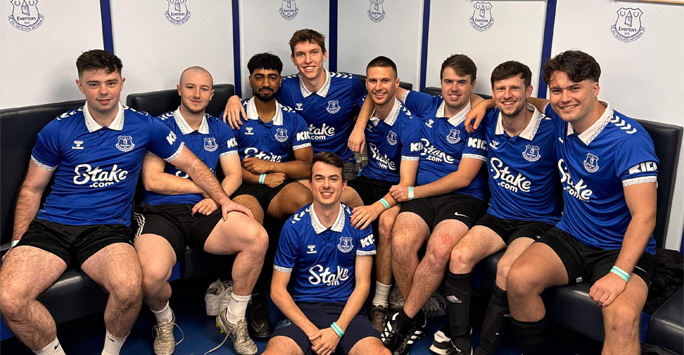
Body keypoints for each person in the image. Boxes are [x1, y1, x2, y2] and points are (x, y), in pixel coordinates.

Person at [0, 50, 238, 355]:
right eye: (94, 83)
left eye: (110, 82)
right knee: (9, 297)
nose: (103, 91)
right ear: (80, 85)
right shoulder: (57, 129)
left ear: (121, 83)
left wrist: (223, 200)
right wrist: (19, 240)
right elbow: (32, 189)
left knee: (128, 289)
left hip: (108, 228)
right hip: (54, 225)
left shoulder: (144, 125)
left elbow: (193, 165)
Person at [471, 50, 658, 355]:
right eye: (557, 90)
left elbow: (645, 217)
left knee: (622, 318)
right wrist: (484, 103)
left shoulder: (629, 141)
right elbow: (529, 102)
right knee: (518, 279)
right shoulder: (559, 120)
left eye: (575, 88)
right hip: (571, 235)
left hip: (619, 248)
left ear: (595, 88)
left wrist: (620, 274)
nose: (564, 98)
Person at [134, 66, 268, 355]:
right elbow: (153, 180)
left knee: (257, 238)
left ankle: (234, 317)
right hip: (162, 212)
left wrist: (218, 198)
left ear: (211, 95)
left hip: (206, 211)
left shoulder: (219, 127)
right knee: (150, 276)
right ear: (179, 89)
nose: (197, 94)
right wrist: (206, 188)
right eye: (191, 87)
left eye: (204, 89)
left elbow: (232, 174)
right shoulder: (159, 125)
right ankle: (165, 319)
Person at [433, 61, 561, 355]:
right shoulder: (487, 121)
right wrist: (487, 104)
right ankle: (460, 339)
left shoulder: (552, 128)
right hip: (497, 215)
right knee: (459, 256)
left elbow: (597, 105)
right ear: (492, 91)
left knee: (506, 269)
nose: (507, 95)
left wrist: (489, 101)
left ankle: (486, 349)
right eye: (500, 89)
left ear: (528, 91)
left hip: (537, 220)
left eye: (515, 88)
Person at [380, 54, 489, 355]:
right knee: (401, 242)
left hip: (462, 198)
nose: (454, 89)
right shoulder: (425, 103)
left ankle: (407, 319)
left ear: (472, 85)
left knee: (440, 248)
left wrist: (485, 103)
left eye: (462, 83)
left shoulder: (476, 121)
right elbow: (380, 90)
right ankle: (422, 308)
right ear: (440, 83)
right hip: (423, 196)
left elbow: (464, 178)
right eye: (448, 81)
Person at [262, 152, 390, 355]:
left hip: (347, 310)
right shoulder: (294, 226)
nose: (326, 185)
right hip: (303, 310)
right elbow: (277, 290)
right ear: (310, 185)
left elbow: (363, 284)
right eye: (319, 178)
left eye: (333, 179)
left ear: (344, 185)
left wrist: (337, 330)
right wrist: (313, 333)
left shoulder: (358, 222)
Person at [229, 52, 314, 337]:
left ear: (280, 82)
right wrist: (261, 176)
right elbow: (224, 167)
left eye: (272, 77)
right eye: (259, 77)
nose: (265, 83)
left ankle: (304, 287)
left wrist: (272, 167)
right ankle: (255, 298)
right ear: (250, 80)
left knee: (304, 200)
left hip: (278, 184)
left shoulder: (292, 119)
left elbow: (306, 165)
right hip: (245, 186)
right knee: (250, 219)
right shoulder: (234, 114)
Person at [339, 56, 421, 333]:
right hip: (369, 179)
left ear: (396, 84)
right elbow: (368, 103)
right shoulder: (368, 110)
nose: (378, 86)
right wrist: (359, 125)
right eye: (372, 81)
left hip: (398, 189)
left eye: (385, 80)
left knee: (385, 222)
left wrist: (376, 208)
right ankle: (337, 287)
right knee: (334, 199)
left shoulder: (410, 125)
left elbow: (407, 185)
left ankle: (380, 302)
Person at [223, 29, 367, 181]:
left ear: (324, 55)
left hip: (340, 164)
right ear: (293, 59)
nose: (307, 60)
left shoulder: (348, 84)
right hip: (301, 168)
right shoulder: (284, 85)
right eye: (300, 54)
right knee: (300, 199)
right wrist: (234, 99)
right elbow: (263, 91)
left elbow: (372, 98)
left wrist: (359, 128)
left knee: (339, 201)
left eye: (314, 52)